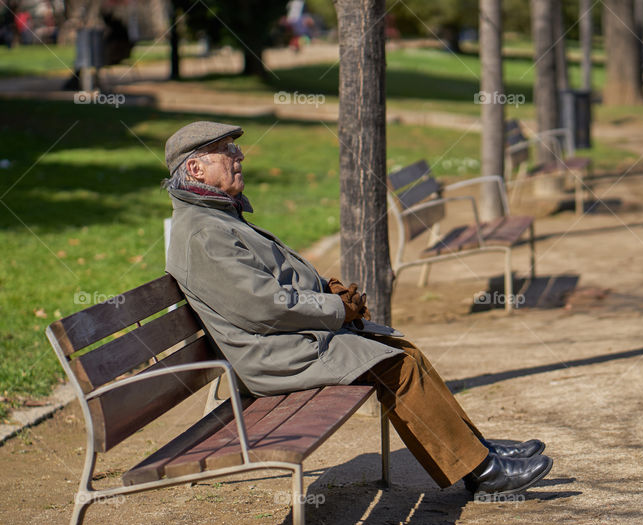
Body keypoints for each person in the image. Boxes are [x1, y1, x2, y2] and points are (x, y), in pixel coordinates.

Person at [161, 121, 553, 496]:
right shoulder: (202, 232)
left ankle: (477, 449)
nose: (239, 155)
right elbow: (262, 306)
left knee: (403, 351)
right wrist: (335, 308)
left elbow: (271, 285)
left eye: (235, 148)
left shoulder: (215, 217)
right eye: (226, 151)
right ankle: (482, 473)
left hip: (287, 341)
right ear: (195, 168)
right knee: (396, 368)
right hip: (272, 356)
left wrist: (324, 289)